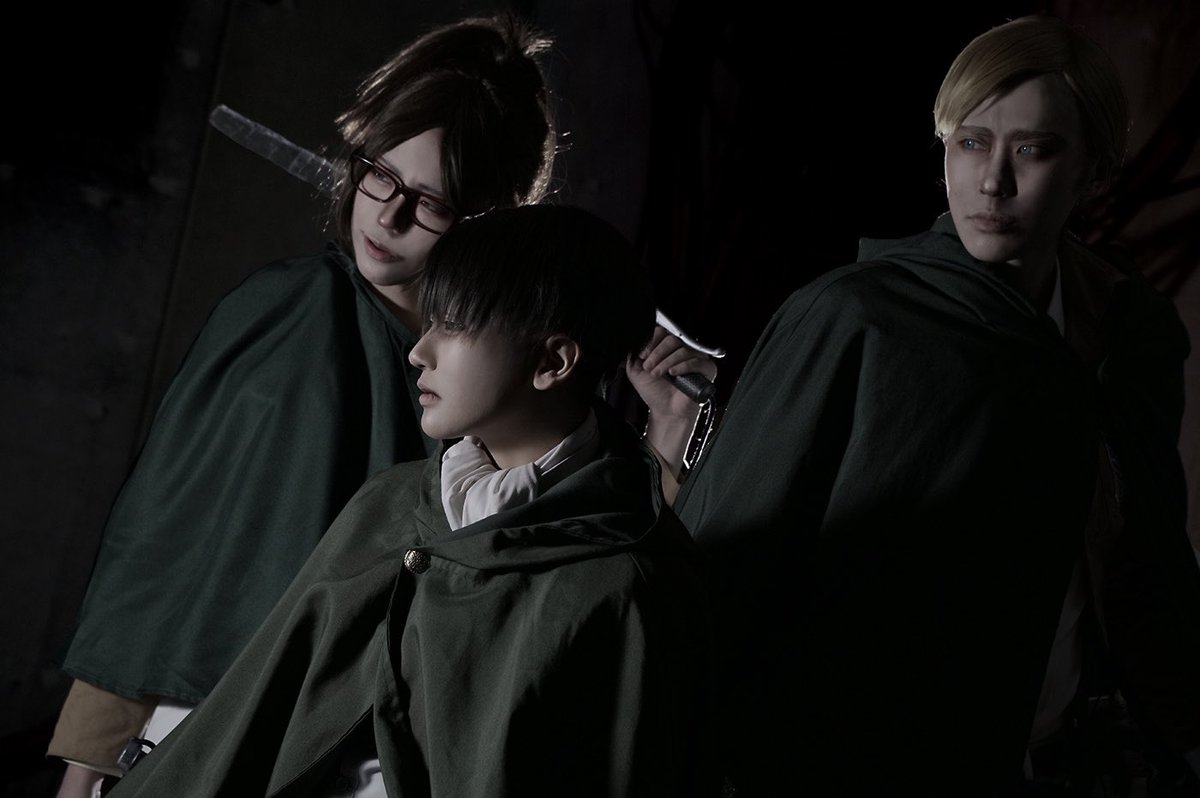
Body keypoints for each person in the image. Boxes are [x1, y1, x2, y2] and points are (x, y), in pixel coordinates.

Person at [49, 13, 714, 796]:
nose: (387, 216)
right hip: (220, 723)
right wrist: (89, 759)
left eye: (430, 202)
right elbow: (163, 538)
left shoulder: (502, 390)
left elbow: (582, 573)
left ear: (487, 220)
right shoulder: (285, 320)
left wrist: (669, 441)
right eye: (379, 174)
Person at [674, 13, 1200, 796]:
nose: (992, 182)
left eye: (1033, 149)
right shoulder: (854, 319)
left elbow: (1149, 559)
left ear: (1092, 170)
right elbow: (718, 573)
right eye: (971, 143)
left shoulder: (1128, 335)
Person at [102, 203, 720, 798]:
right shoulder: (391, 502)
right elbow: (252, 712)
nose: (419, 351)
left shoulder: (626, 584)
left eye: (453, 326)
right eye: (429, 323)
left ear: (552, 361)